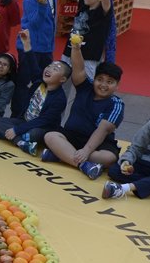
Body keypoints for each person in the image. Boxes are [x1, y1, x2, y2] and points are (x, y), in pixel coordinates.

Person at [41, 41, 124, 179]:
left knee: (109, 158)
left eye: (109, 82)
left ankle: (62, 156)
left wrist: (86, 151)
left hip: (98, 143)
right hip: (71, 135)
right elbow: (79, 69)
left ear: (117, 85)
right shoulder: (85, 86)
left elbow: (102, 130)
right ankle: (84, 165)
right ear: (94, 79)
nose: (103, 85)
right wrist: (76, 48)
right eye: (100, 79)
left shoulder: (116, 104)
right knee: (50, 136)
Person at [0, 30, 72, 153]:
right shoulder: (39, 82)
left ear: (63, 79)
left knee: (33, 133)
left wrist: (17, 130)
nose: (49, 69)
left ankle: (7, 135)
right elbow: (32, 64)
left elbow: (43, 121)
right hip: (24, 121)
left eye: (55, 69)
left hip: (41, 127)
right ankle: (21, 142)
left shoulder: (60, 99)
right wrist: (27, 43)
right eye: (50, 66)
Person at [13, 0, 59, 117]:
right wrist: (42, 6)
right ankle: (17, 115)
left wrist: (50, 44)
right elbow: (34, 25)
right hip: (29, 47)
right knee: (24, 83)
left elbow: (52, 21)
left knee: (43, 84)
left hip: (46, 48)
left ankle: (34, 114)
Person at [60, 0, 114, 81]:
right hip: (69, 52)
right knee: (61, 83)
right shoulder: (83, 4)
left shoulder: (103, 11)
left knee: (85, 88)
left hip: (88, 57)